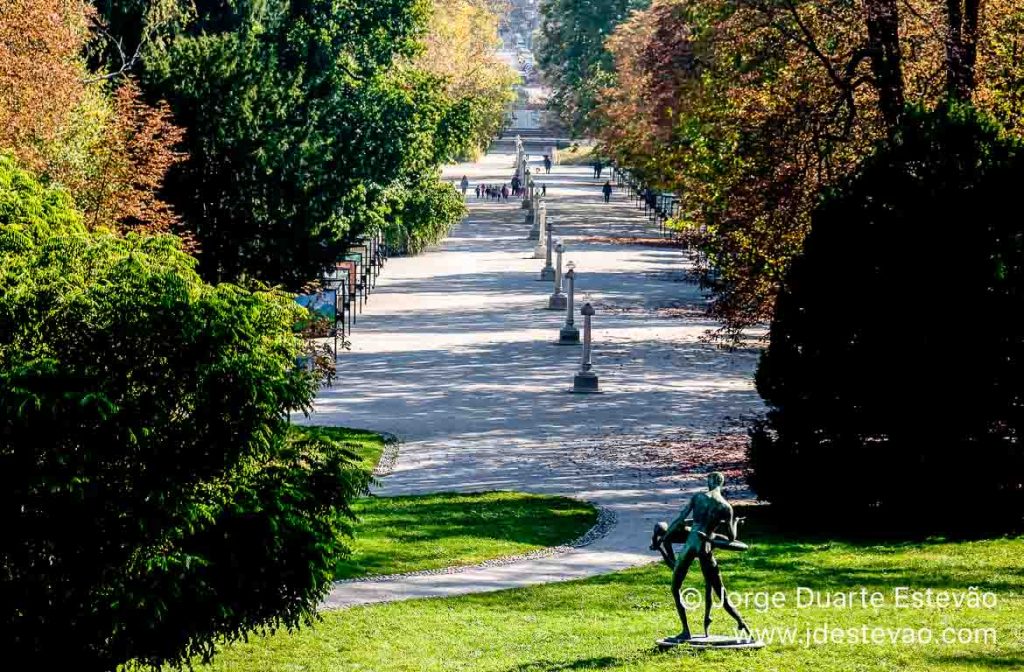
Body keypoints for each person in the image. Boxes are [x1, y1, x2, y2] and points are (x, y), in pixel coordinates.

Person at [650, 472, 750, 642]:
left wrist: (664, 540)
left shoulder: (698, 497)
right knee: (720, 591)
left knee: (676, 588)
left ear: (710, 482)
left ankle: (686, 631)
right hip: (705, 546)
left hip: (692, 542)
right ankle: (742, 623)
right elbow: (732, 537)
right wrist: (734, 522)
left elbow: (679, 520)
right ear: (722, 483)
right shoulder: (726, 507)